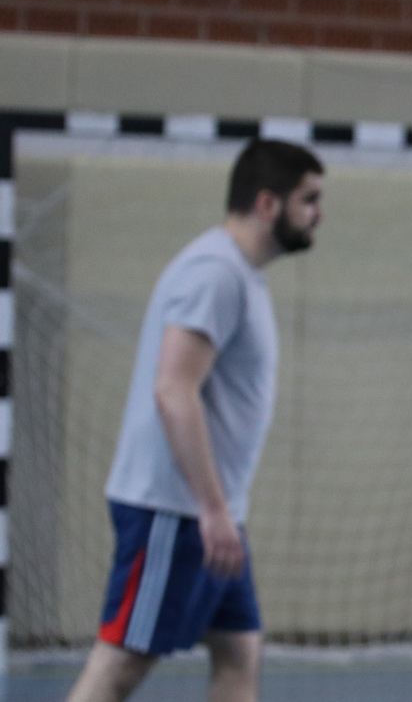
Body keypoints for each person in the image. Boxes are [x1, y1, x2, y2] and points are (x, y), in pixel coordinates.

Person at [66, 139, 326, 702]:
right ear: (267, 203)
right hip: (176, 511)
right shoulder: (215, 274)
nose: (319, 214)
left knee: (239, 651)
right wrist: (211, 508)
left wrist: (221, 511)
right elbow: (173, 389)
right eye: (309, 200)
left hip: (211, 515)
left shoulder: (241, 276)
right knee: (121, 663)